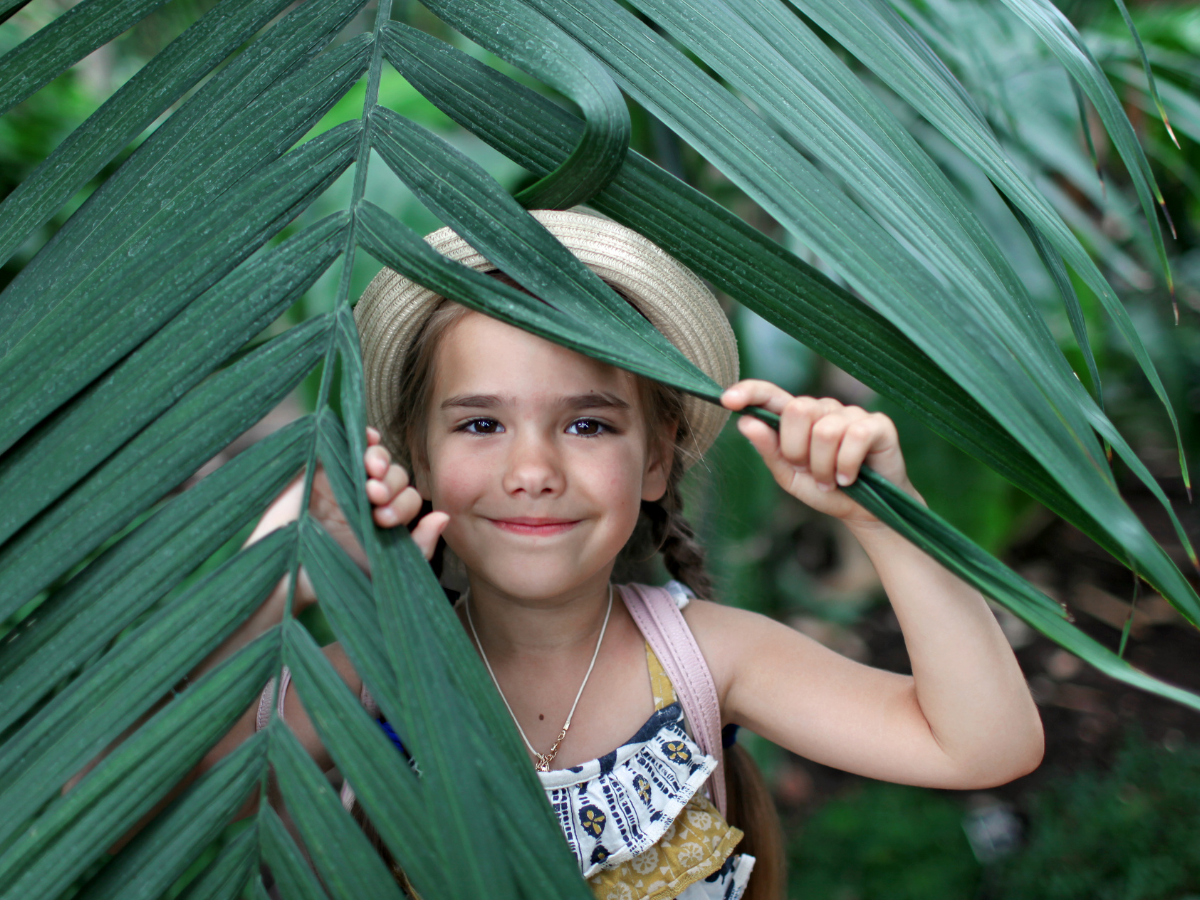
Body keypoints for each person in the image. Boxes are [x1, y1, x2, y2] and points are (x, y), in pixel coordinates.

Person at [170, 210, 1044, 899]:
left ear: (657, 457)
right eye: (480, 423)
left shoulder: (708, 659)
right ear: (418, 458)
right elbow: (135, 800)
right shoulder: (371, 677)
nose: (534, 471)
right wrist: (287, 564)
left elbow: (981, 747)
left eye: (587, 423)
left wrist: (886, 522)